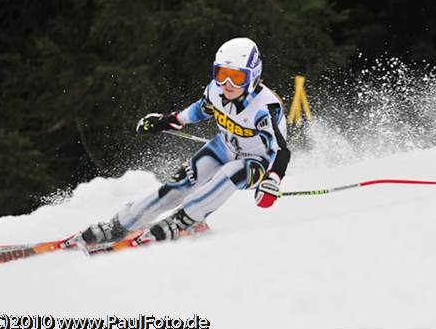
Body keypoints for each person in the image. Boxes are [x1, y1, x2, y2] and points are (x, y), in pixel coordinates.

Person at [80, 37, 290, 244]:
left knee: (231, 172)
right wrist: (168, 121)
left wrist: (272, 181)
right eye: (222, 74)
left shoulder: (266, 108)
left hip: (257, 162)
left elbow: (281, 151)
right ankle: (123, 224)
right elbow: (201, 109)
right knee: (178, 184)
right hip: (224, 147)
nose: (227, 84)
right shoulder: (216, 91)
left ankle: (185, 220)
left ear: (253, 76)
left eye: (237, 77)